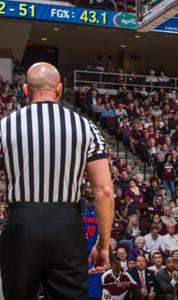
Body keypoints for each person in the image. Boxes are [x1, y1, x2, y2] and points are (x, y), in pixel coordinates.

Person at [0, 62, 114, 299]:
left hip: (20, 224)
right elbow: (103, 190)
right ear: (60, 89)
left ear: (25, 90)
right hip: (66, 226)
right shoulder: (86, 127)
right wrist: (103, 244)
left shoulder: (4, 125)